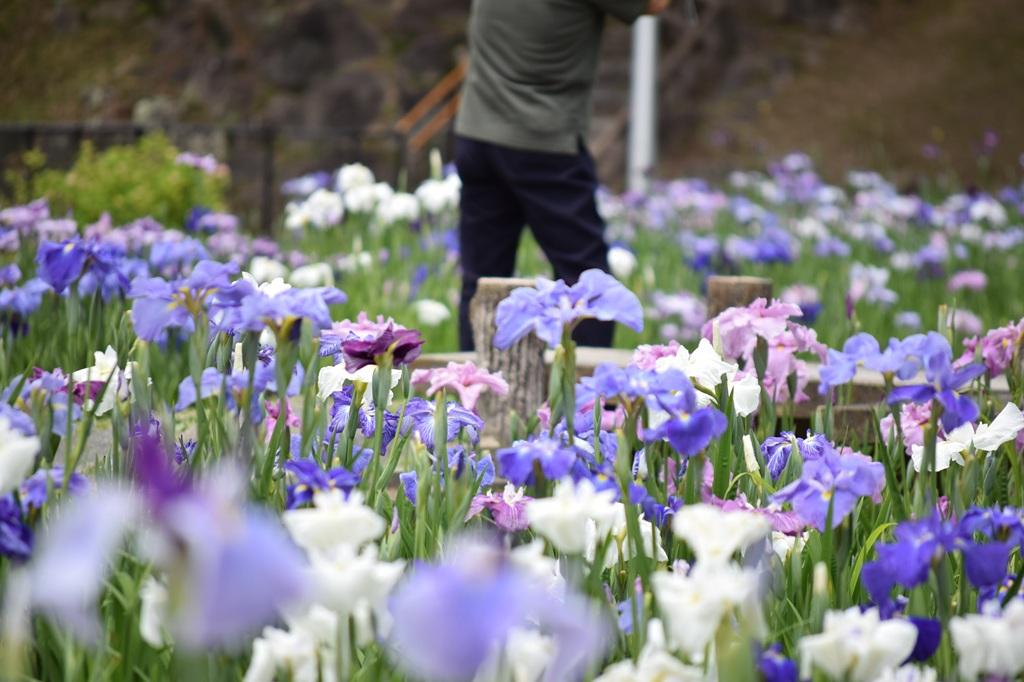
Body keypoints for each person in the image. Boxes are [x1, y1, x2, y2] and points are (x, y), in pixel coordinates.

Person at [455, 0, 670, 352]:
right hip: (543, 140)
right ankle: (587, 398)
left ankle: (476, 394)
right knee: (586, 282)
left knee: (482, 281)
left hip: (476, 132)